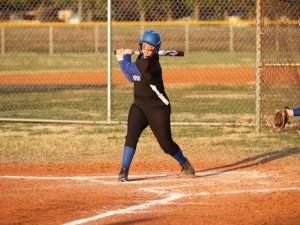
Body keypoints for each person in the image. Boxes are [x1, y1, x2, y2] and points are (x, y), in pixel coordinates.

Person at [115, 30, 195, 182]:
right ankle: (124, 171)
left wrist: (123, 56)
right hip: (139, 105)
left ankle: (184, 162)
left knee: (166, 145)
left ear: (156, 50)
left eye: (150, 48)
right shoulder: (141, 58)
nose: (146, 50)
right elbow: (130, 77)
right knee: (131, 136)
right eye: (144, 46)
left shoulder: (150, 65)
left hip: (158, 109)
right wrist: (126, 58)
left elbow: (128, 68)